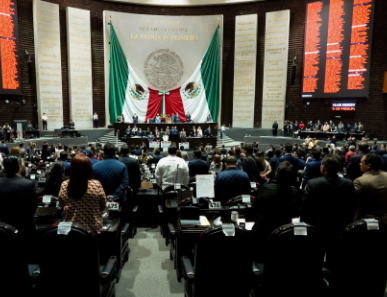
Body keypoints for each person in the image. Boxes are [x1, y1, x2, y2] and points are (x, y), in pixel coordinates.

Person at [301, 154, 356, 264]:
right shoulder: (349, 184)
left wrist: (305, 227)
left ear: (323, 167)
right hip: (339, 227)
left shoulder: (313, 183)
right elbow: (351, 208)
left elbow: (306, 209)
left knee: (315, 258)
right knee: (334, 259)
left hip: (317, 227)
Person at [252, 161, 299, 262]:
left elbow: (257, 208)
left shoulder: (265, 187)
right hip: (285, 231)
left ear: (276, 173)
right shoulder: (294, 191)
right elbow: (295, 212)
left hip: (263, 230)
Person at [58, 154, 106, 234]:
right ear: (89, 168)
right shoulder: (96, 185)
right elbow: (103, 205)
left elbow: (62, 205)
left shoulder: (64, 185)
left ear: (72, 168)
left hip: (70, 230)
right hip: (93, 230)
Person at [0, 155, 38, 239]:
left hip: (2, 228)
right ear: (19, 167)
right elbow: (33, 208)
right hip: (24, 229)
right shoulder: (28, 184)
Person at [353, 153, 387, 223]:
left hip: (367, 222)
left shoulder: (360, 181)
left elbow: (352, 201)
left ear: (368, 166)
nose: (360, 164)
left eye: (362, 162)